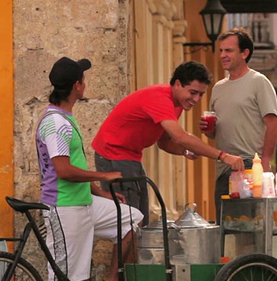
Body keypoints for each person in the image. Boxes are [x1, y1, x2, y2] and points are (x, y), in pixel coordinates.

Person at [36, 57, 144, 281]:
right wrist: (104, 176)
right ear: (77, 86)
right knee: (61, 272)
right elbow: (63, 170)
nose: (86, 84)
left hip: (84, 202)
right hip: (65, 207)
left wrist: (100, 191)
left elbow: (73, 164)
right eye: (84, 79)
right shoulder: (56, 123)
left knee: (131, 217)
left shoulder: (66, 118)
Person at [92, 61, 244, 226]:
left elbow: (164, 141)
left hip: (132, 156)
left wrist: (185, 151)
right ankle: (126, 252)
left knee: (140, 221)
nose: (196, 99)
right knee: (129, 223)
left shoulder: (176, 104)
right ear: (177, 84)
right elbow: (180, 137)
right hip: (114, 155)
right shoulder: (160, 98)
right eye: (193, 92)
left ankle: (134, 251)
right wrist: (223, 156)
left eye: (200, 94)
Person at [200, 27, 277, 221]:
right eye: (221, 51)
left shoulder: (258, 82)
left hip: (250, 166)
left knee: (251, 224)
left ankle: (254, 254)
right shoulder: (218, 88)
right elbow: (214, 133)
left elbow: (272, 123)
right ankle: (228, 254)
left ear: (244, 53)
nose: (223, 55)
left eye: (229, 50)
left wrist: (266, 161)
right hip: (223, 168)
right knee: (225, 225)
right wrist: (208, 129)